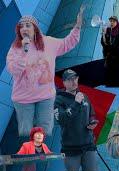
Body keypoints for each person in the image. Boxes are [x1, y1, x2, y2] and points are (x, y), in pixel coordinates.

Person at [6, 7, 84, 137]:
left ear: (35, 28)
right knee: (26, 132)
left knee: (45, 131)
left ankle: (40, 152)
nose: (24, 29)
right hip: (23, 98)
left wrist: (77, 27)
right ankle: (28, 152)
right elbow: (13, 69)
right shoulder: (16, 47)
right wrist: (24, 52)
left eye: (28, 25)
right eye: (21, 27)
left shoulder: (49, 42)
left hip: (45, 96)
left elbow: (67, 43)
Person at [54, 69, 98, 171]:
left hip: (89, 147)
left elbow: (91, 115)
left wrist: (92, 123)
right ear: (64, 82)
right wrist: (76, 103)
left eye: (75, 78)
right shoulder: (58, 100)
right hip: (70, 150)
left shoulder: (84, 97)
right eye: (70, 80)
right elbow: (62, 120)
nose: (74, 82)